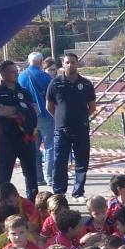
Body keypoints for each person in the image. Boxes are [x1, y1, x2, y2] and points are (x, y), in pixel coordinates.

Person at [47, 52, 97, 202]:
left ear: (77, 64)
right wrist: (61, 119)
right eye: (67, 62)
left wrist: (81, 118)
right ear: (63, 65)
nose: (70, 65)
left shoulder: (86, 84)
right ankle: (59, 193)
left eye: (73, 62)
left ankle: (78, 192)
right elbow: (49, 106)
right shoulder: (55, 83)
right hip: (62, 130)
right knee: (60, 162)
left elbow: (92, 107)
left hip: (81, 129)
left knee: (82, 162)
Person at [0, 60, 39, 202]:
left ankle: (32, 204)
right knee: (4, 175)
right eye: (12, 71)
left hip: (25, 137)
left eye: (16, 71)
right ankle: (3, 205)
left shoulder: (24, 91)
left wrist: (15, 111)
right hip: (6, 138)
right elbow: (0, 111)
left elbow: (34, 111)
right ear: (3, 73)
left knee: (30, 173)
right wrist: (20, 111)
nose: (16, 73)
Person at [18, 51, 54, 187]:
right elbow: (52, 96)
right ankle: (50, 177)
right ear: (41, 62)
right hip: (45, 115)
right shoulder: (45, 77)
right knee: (50, 146)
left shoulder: (21, 76)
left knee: (34, 147)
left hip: (29, 117)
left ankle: (38, 178)